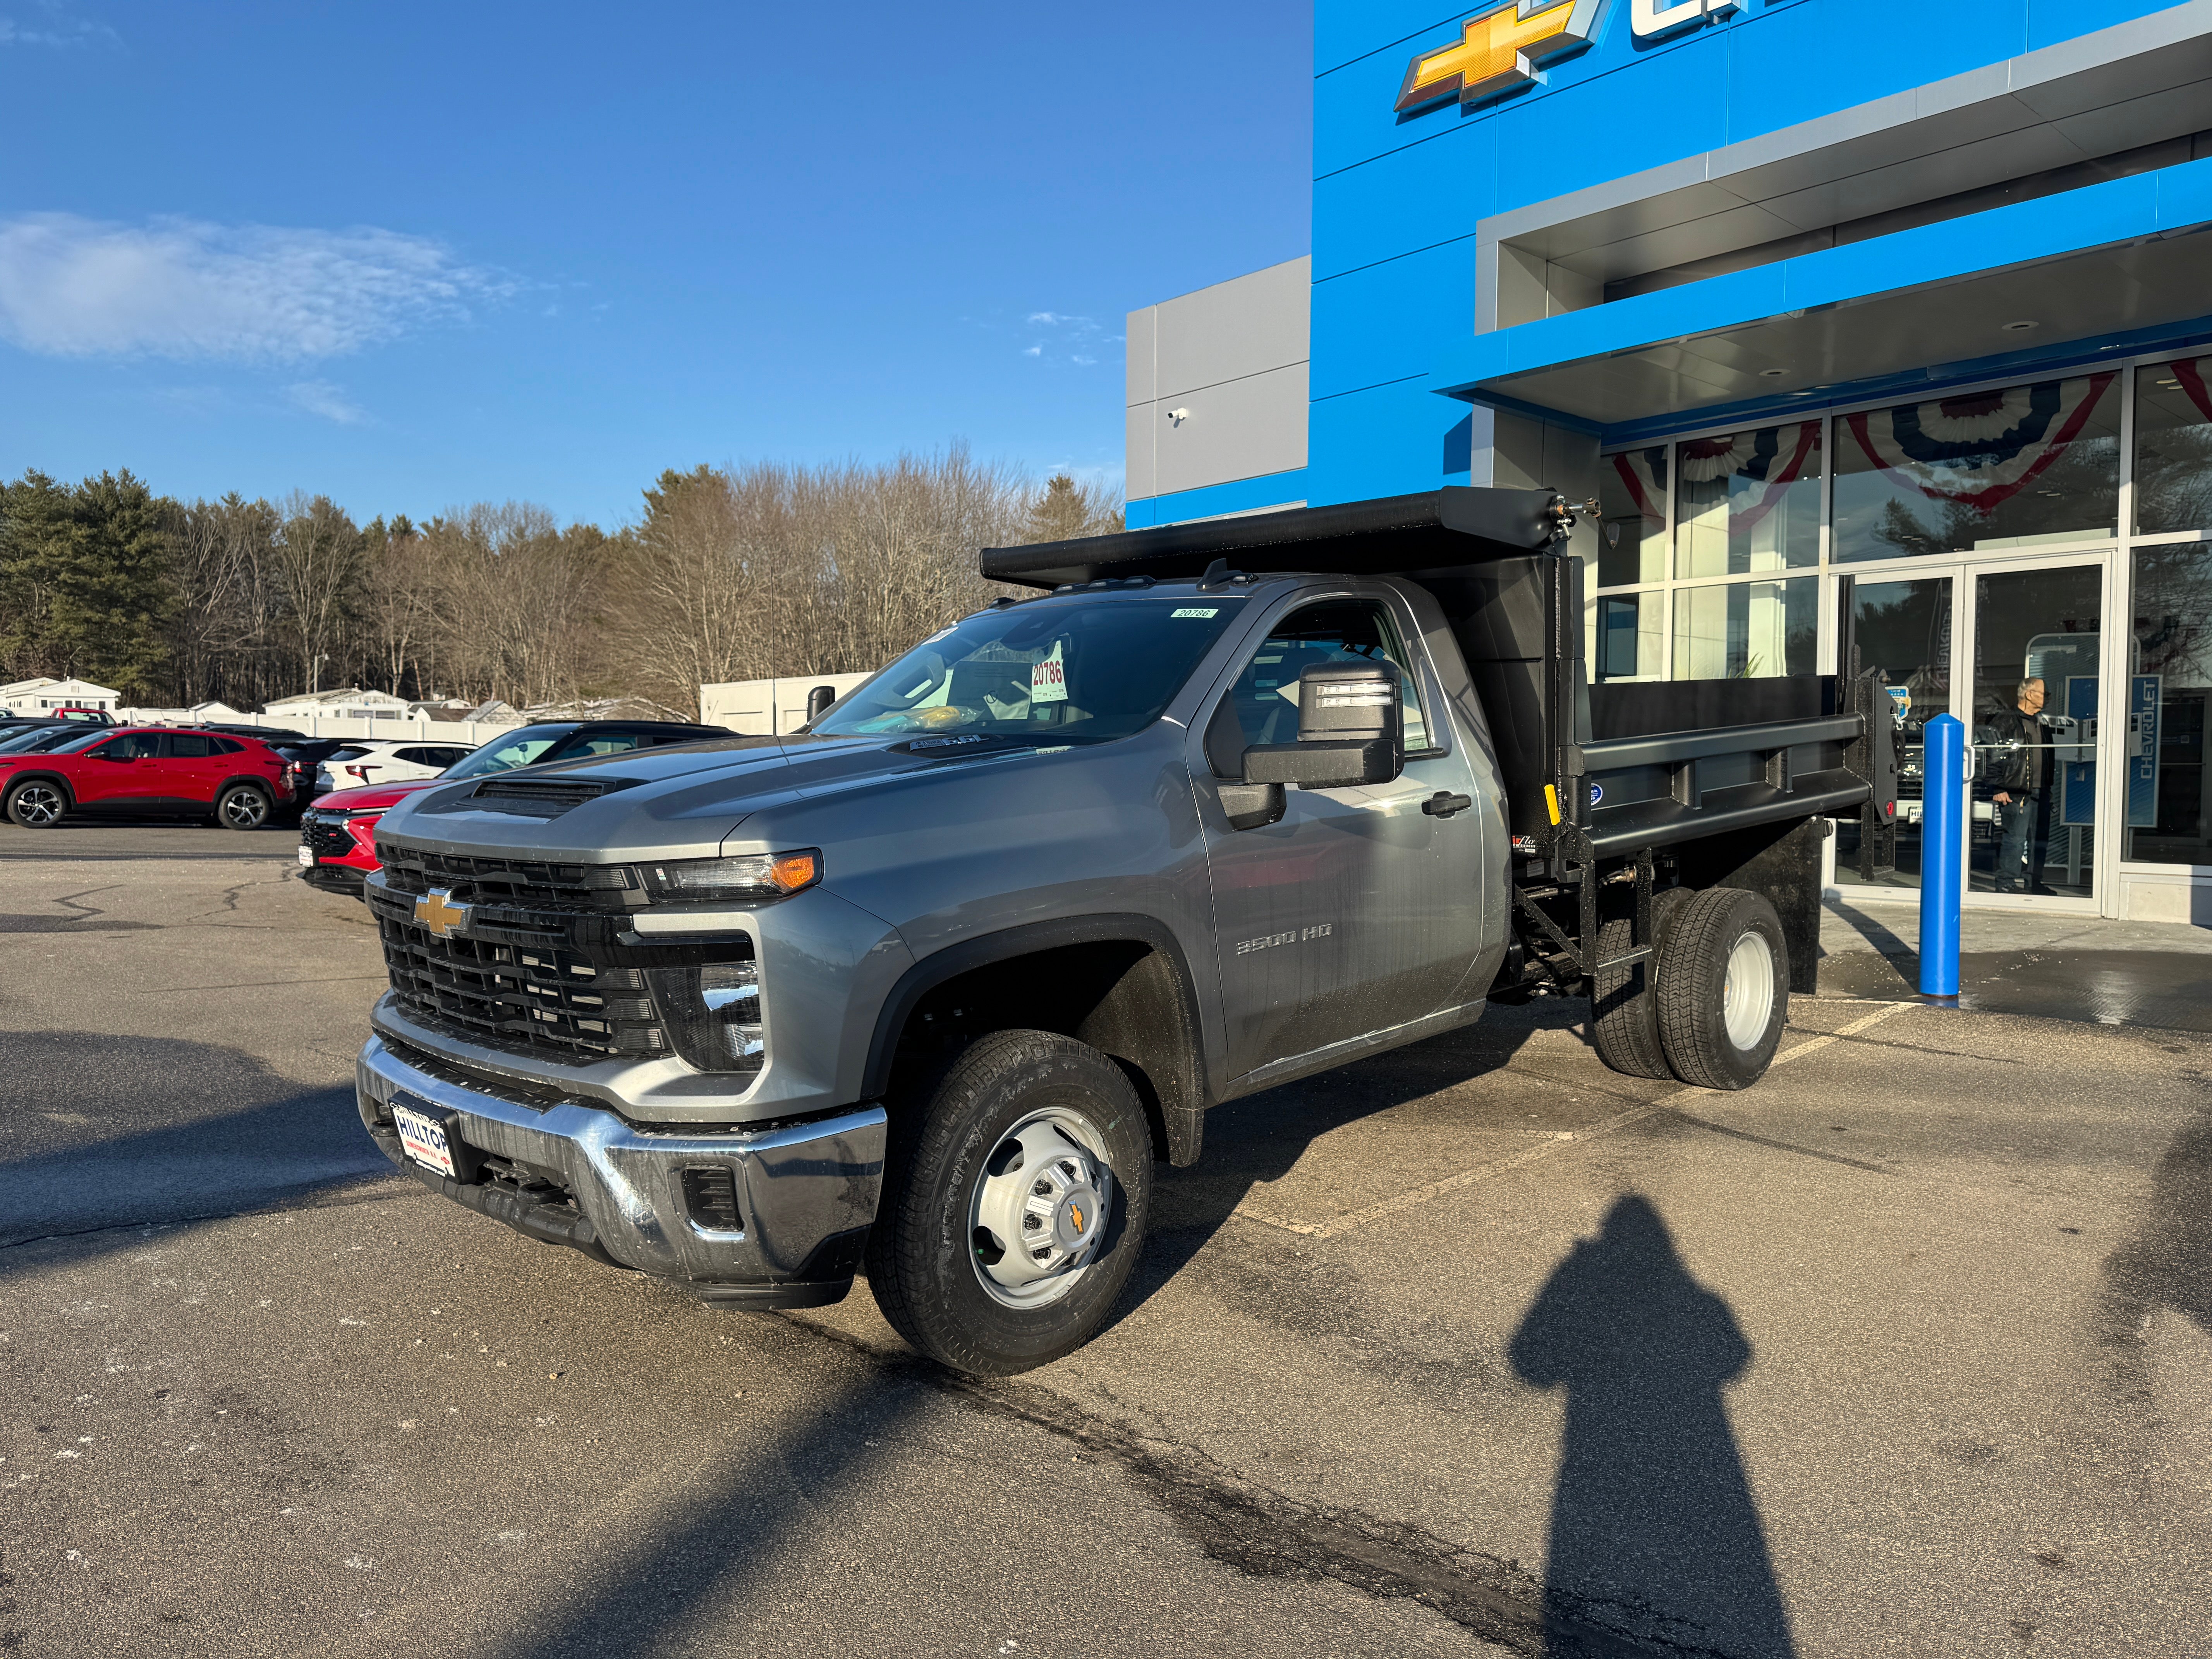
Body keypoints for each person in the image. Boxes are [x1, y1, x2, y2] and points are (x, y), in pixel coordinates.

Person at [1980, 676, 2050, 893]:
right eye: (2044, 694)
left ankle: (2034, 883)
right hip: (2015, 791)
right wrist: (1998, 788)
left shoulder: (2041, 721)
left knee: (2038, 841)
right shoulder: (2006, 721)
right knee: (2016, 840)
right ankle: (2006, 884)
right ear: (2030, 695)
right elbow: (1992, 754)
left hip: (2040, 790)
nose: (2046, 698)